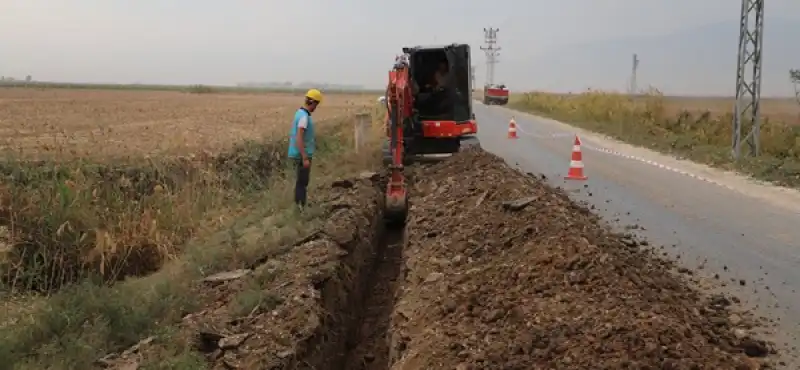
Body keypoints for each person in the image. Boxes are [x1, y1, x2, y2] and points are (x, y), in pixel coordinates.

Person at [288, 88, 323, 208]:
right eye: (316, 104)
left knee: (300, 182)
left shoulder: (299, 113)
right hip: (300, 155)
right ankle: (300, 208)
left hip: (297, 153)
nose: (316, 107)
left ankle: (299, 206)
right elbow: (299, 137)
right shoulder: (304, 117)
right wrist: (304, 157)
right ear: (313, 103)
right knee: (302, 182)